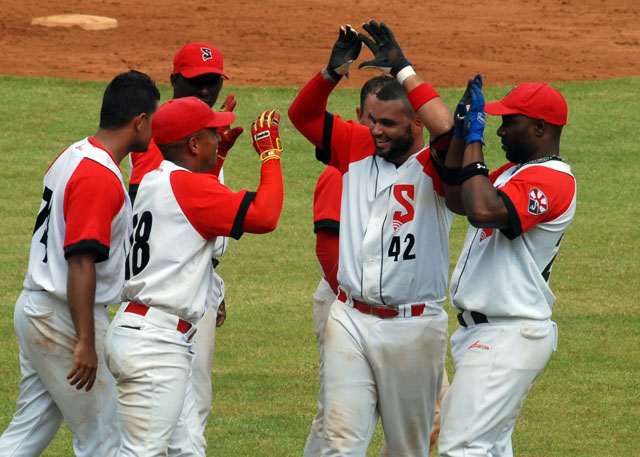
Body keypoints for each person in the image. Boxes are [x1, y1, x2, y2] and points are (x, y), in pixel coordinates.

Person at [289, 21, 454, 457]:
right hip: (350, 318)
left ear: (415, 123)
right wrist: (329, 75)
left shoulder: (438, 162)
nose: (376, 131)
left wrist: (403, 68)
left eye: (389, 123)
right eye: (370, 120)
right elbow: (302, 116)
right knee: (341, 442)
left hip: (414, 328)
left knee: (407, 448)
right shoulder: (354, 144)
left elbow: (449, 130)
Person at [104, 97, 285, 456]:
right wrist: (270, 155)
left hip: (149, 335)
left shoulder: (156, 179)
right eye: (212, 133)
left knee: (187, 448)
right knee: (141, 453)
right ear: (192, 144)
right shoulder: (189, 189)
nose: (219, 136)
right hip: (156, 345)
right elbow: (265, 216)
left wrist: (216, 160)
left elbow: (195, 210)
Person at [0, 70, 160, 457]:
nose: (152, 128)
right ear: (139, 121)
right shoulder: (98, 176)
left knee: (30, 428)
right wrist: (85, 341)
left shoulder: (74, 154)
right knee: (106, 436)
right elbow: (81, 262)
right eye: (151, 119)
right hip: (65, 316)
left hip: (39, 306)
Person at [437, 74, 576, 457]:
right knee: (490, 448)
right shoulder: (512, 173)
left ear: (539, 127)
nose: (498, 129)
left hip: (508, 335)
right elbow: (458, 200)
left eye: (508, 122)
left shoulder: (552, 180)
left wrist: (477, 140)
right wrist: (464, 136)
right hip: (489, 336)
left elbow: (483, 210)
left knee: (460, 448)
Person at [129, 41, 243, 440]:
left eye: (212, 82)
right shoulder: (162, 141)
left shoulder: (201, 134)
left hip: (194, 281)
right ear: (174, 79)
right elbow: (156, 217)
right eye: (196, 82)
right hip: (166, 295)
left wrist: (211, 279)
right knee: (180, 408)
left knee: (193, 403)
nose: (205, 90)